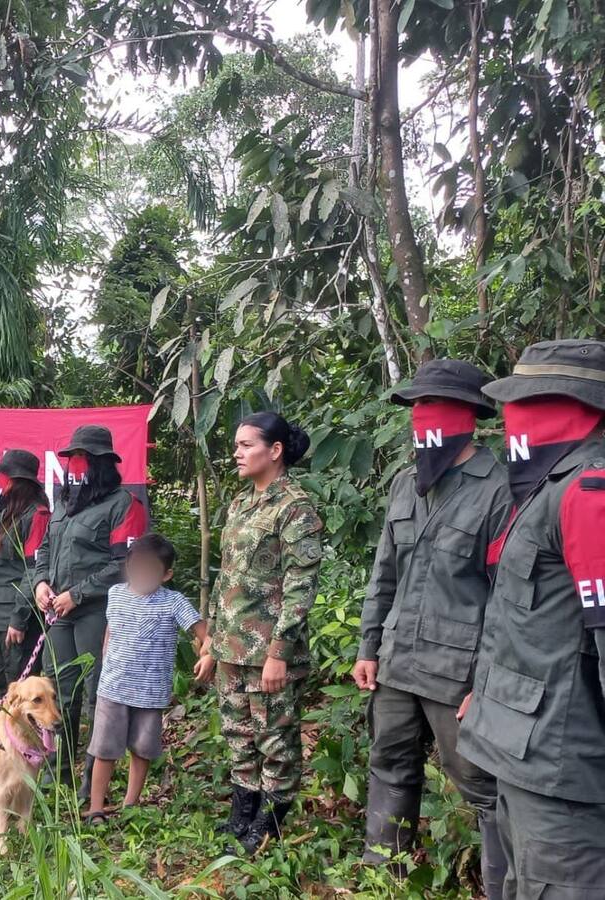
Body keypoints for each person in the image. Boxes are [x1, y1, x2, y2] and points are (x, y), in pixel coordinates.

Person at [353, 360, 511, 896]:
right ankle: (385, 880)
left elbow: (507, 599)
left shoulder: (499, 488)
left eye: (431, 408)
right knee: (389, 765)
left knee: (481, 786)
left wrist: (484, 682)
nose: (419, 419)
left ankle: (503, 888)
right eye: (414, 409)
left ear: (467, 416)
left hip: (457, 673)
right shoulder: (405, 484)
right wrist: (369, 645)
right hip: (398, 661)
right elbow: (385, 574)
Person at [457, 339, 605, 900]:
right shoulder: (546, 488)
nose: (510, 419)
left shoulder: (588, 493)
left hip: (564, 768)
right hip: (521, 753)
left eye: (525, 403)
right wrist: (485, 691)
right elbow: (528, 622)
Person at [206, 412, 323, 851]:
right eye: (236, 445)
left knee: (275, 738)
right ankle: (243, 812)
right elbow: (227, 579)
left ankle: (269, 824)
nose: (236, 452)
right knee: (239, 734)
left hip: (268, 653)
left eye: (246, 445)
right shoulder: (240, 504)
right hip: (232, 648)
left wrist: (279, 652)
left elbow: (300, 588)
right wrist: (212, 641)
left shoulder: (294, 508)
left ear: (275, 451)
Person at [33, 424, 148, 798]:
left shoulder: (124, 506)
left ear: (100, 465)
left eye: (82, 462)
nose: (74, 468)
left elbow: (125, 565)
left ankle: (90, 786)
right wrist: (41, 584)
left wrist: (77, 595)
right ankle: (56, 775)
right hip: (58, 613)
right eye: (71, 461)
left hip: (100, 613)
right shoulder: (63, 503)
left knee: (98, 696)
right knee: (56, 695)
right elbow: (45, 550)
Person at [84, 534, 213, 824]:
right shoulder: (116, 593)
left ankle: (130, 805)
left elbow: (204, 634)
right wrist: (106, 661)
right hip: (113, 687)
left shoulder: (173, 602)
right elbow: (111, 629)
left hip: (150, 692)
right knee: (104, 749)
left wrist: (207, 655)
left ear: (166, 574)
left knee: (142, 749)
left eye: (151, 569)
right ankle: (96, 809)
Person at [0, 449, 51, 696]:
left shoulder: (37, 516)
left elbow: (34, 570)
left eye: (5, 477)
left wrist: (19, 618)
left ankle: (25, 735)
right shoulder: (0, 516)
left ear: (20, 483)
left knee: (21, 687)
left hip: (15, 616)